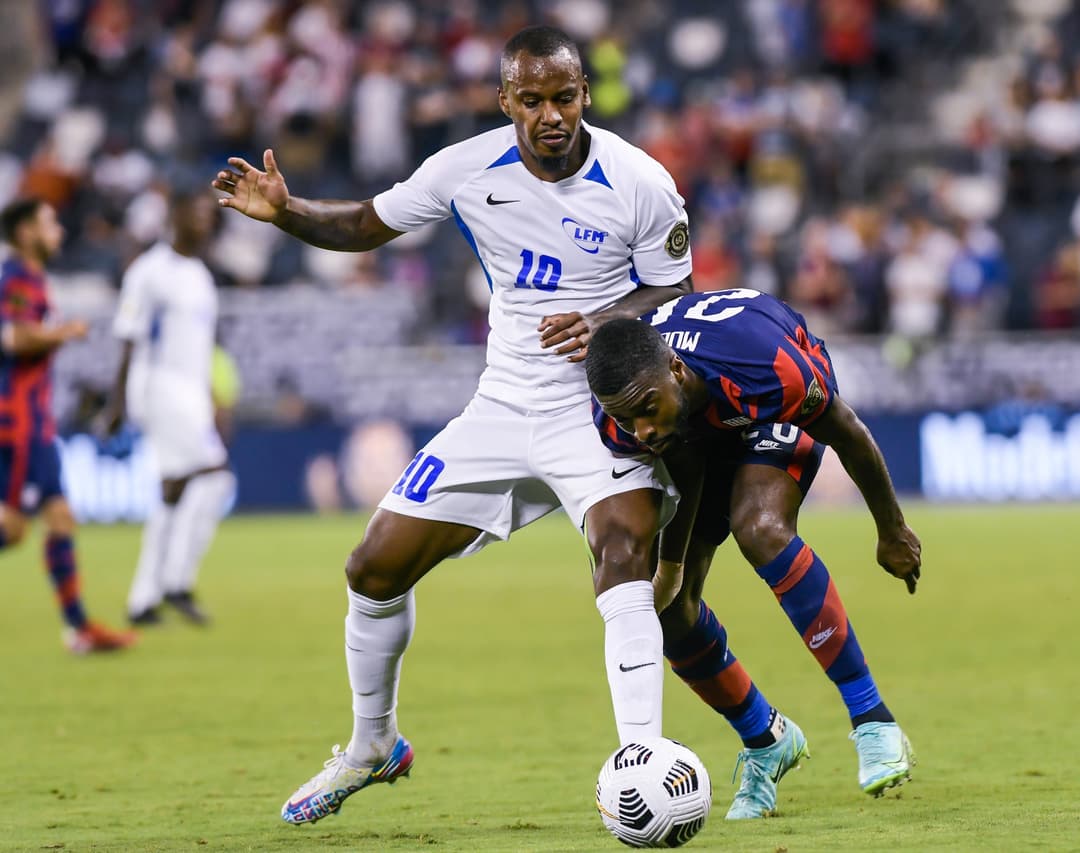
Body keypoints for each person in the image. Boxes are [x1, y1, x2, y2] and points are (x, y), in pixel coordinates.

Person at [211, 26, 694, 825]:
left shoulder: (640, 180)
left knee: (623, 554)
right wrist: (288, 212)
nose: (550, 115)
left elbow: (672, 290)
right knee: (371, 568)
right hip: (502, 406)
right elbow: (368, 223)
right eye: (531, 100)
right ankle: (373, 745)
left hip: (595, 413)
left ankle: (640, 758)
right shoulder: (464, 169)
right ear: (504, 100)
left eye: (564, 97)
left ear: (585, 94)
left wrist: (606, 316)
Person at [586, 287, 922, 817]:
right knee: (665, 608)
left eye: (647, 410)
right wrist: (671, 569)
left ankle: (872, 720)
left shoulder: (767, 368)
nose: (641, 430)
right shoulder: (622, 413)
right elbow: (681, 458)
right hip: (705, 430)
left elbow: (848, 432)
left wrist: (891, 530)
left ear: (675, 370)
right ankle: (766, 742)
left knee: (759, 528)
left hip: (763, 410)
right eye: (631, 421)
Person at [0, 198, 136, 654]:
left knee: (59, 516)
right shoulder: (15, 278)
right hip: (16, 421)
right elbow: (15, 337)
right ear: (25, 232)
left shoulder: (34, 279)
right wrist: (63, 332)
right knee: (15, 529)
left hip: (36, 421)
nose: (57, 229)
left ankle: (79, 628)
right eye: (48, 221)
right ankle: (79, 627)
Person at [104, 192, 235, 626]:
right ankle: (177, 582)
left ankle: (144, 599)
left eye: (206, 215)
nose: (203, 222)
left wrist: (213, 395)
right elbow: (129, 337)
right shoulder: (148, 272)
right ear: (174, 217)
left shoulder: (199, 274)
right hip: (158, 387)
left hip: (191, 392)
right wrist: (117, 401)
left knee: (172, 491)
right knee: (215, 477)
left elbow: (202, 345)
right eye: (195, 213)